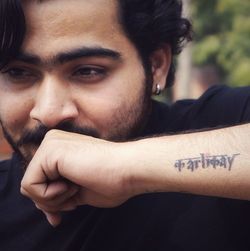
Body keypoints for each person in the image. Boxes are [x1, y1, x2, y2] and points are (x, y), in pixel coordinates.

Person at [0, 0, 249, 250]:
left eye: (87, 71)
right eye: (18, 73)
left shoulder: (222, 122)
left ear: (156, 65)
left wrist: (128, 167)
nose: (48, 112)